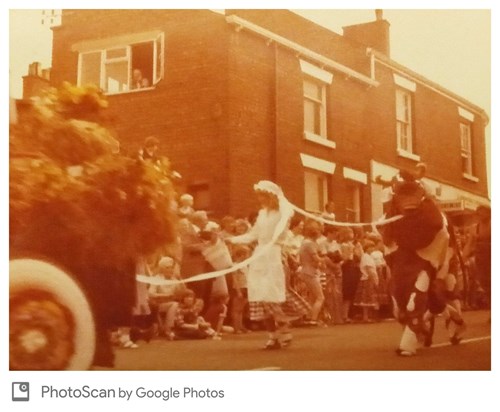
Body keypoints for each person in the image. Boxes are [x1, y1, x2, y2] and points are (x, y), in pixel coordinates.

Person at [227, 180, 293, 349]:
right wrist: (231, 239)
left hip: (274, 254)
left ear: (270, 195)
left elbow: (284, 223)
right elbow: (253, 235)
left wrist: (274, 240)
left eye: (262, 195)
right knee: (261, 296)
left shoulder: (283, 211)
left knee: (272, 295)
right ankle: (272, 337)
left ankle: (285, 330)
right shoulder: (262, 214)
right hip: (260, 255)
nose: (260, 199)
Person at [298, 219, 325, 325]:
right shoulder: (309, 243)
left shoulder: (306, 242)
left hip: (307, 271)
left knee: (312, 297)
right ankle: (313, 319)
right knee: (320, 297)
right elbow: (317, 258)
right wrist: (325, 259)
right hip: (310, 272)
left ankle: (309, 317)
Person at [353, 241, 379, 322]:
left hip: (369, 278)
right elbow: (369, 270)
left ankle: (368, 316)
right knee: (366, 300)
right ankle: (366, 316)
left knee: (369, 299)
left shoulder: (368, 256)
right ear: (367, 248)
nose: (373, 249)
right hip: (368, 279)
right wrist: (374, 280)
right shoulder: (366, 257)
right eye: (371, 247)